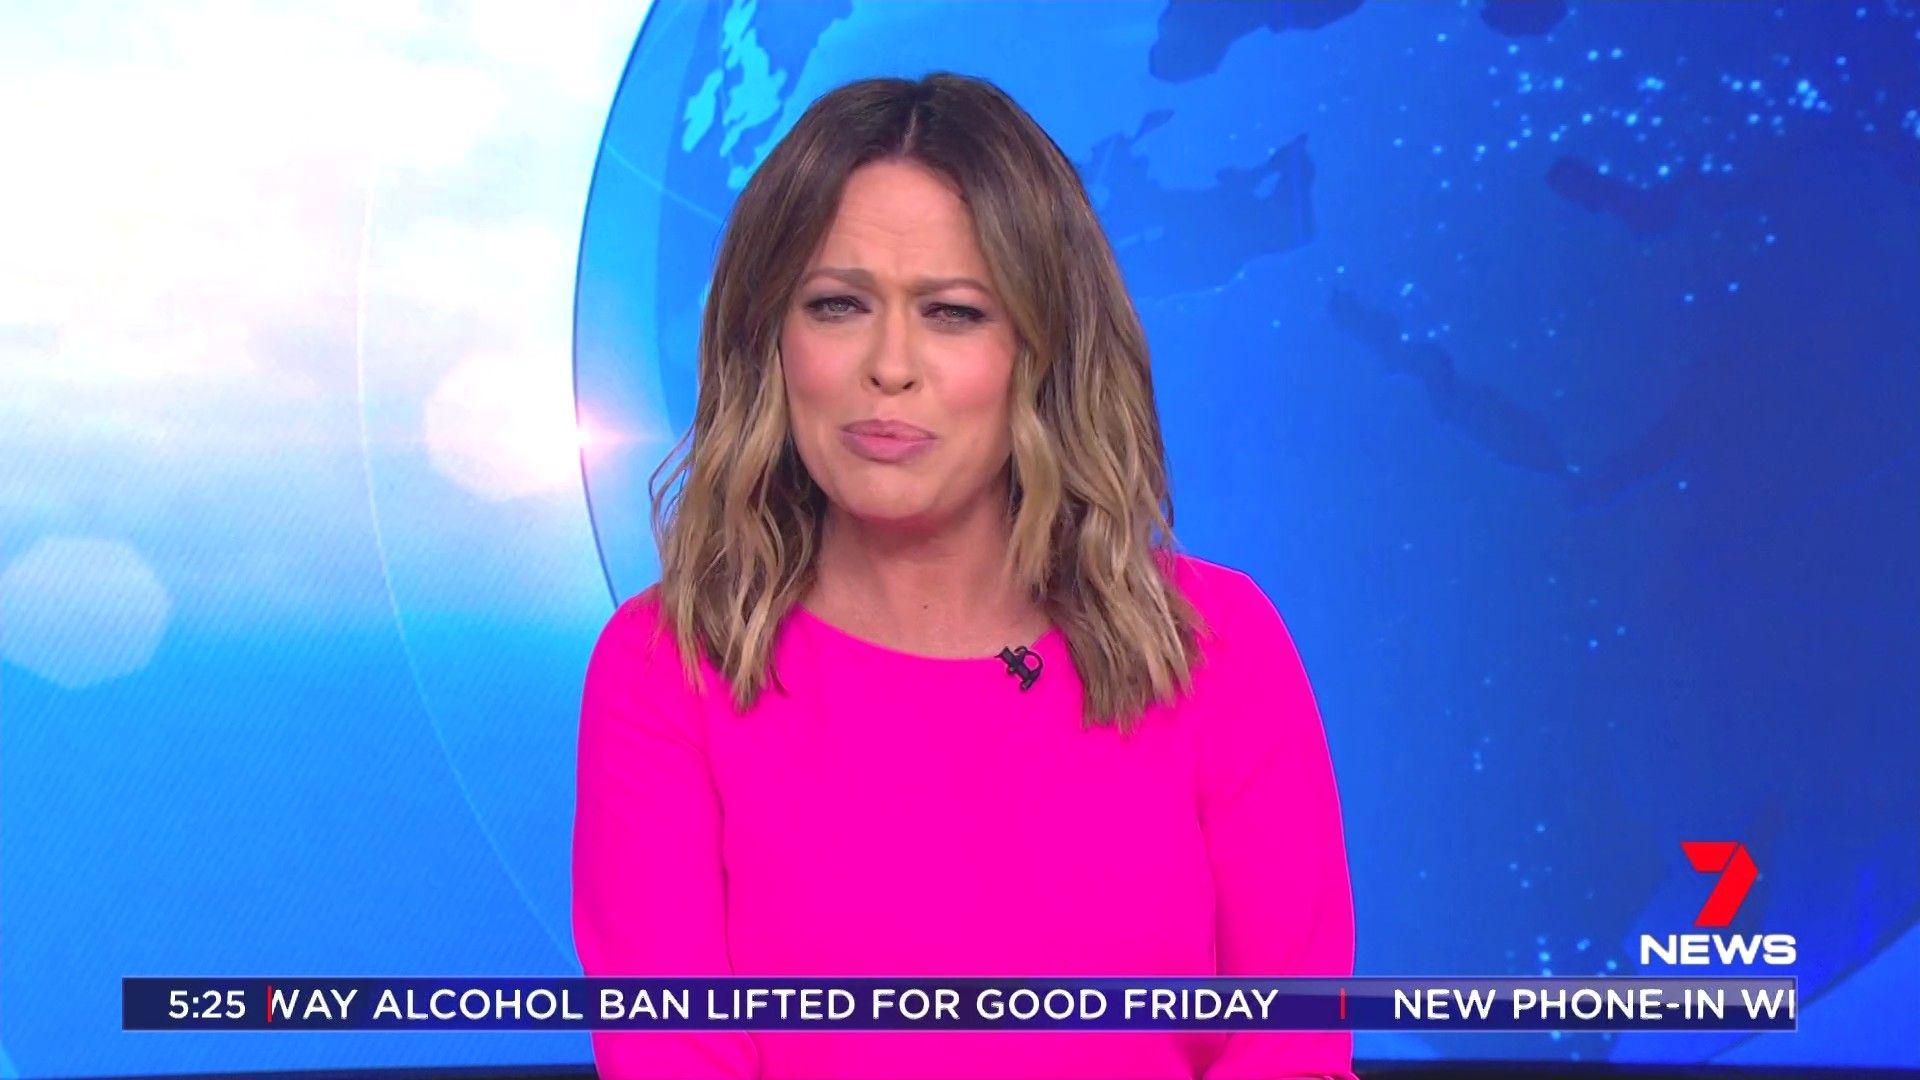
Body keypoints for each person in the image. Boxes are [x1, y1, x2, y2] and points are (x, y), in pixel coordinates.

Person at [571, 72, 1356, 1080]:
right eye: (837, 305)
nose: (889, 366)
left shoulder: (1217, 643)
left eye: (951, 312)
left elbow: (1290, 1046)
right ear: (771, 342)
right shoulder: (666, 666)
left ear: (1042, 349)